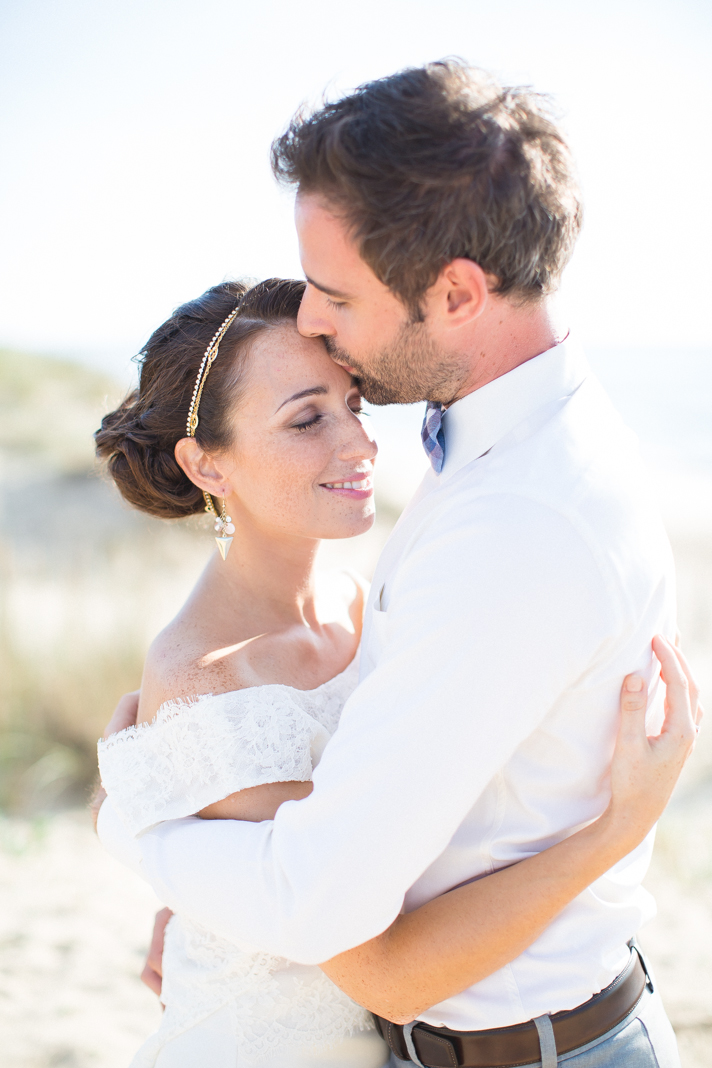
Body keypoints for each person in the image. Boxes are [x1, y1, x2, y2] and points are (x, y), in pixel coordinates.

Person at [96, 62, 700, 1067]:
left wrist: (139, 821)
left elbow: (322, 909)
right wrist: (211, 905)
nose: (316, 321)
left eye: (335, 296)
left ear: (456, 291)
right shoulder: (510, 449)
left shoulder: (515, 525)